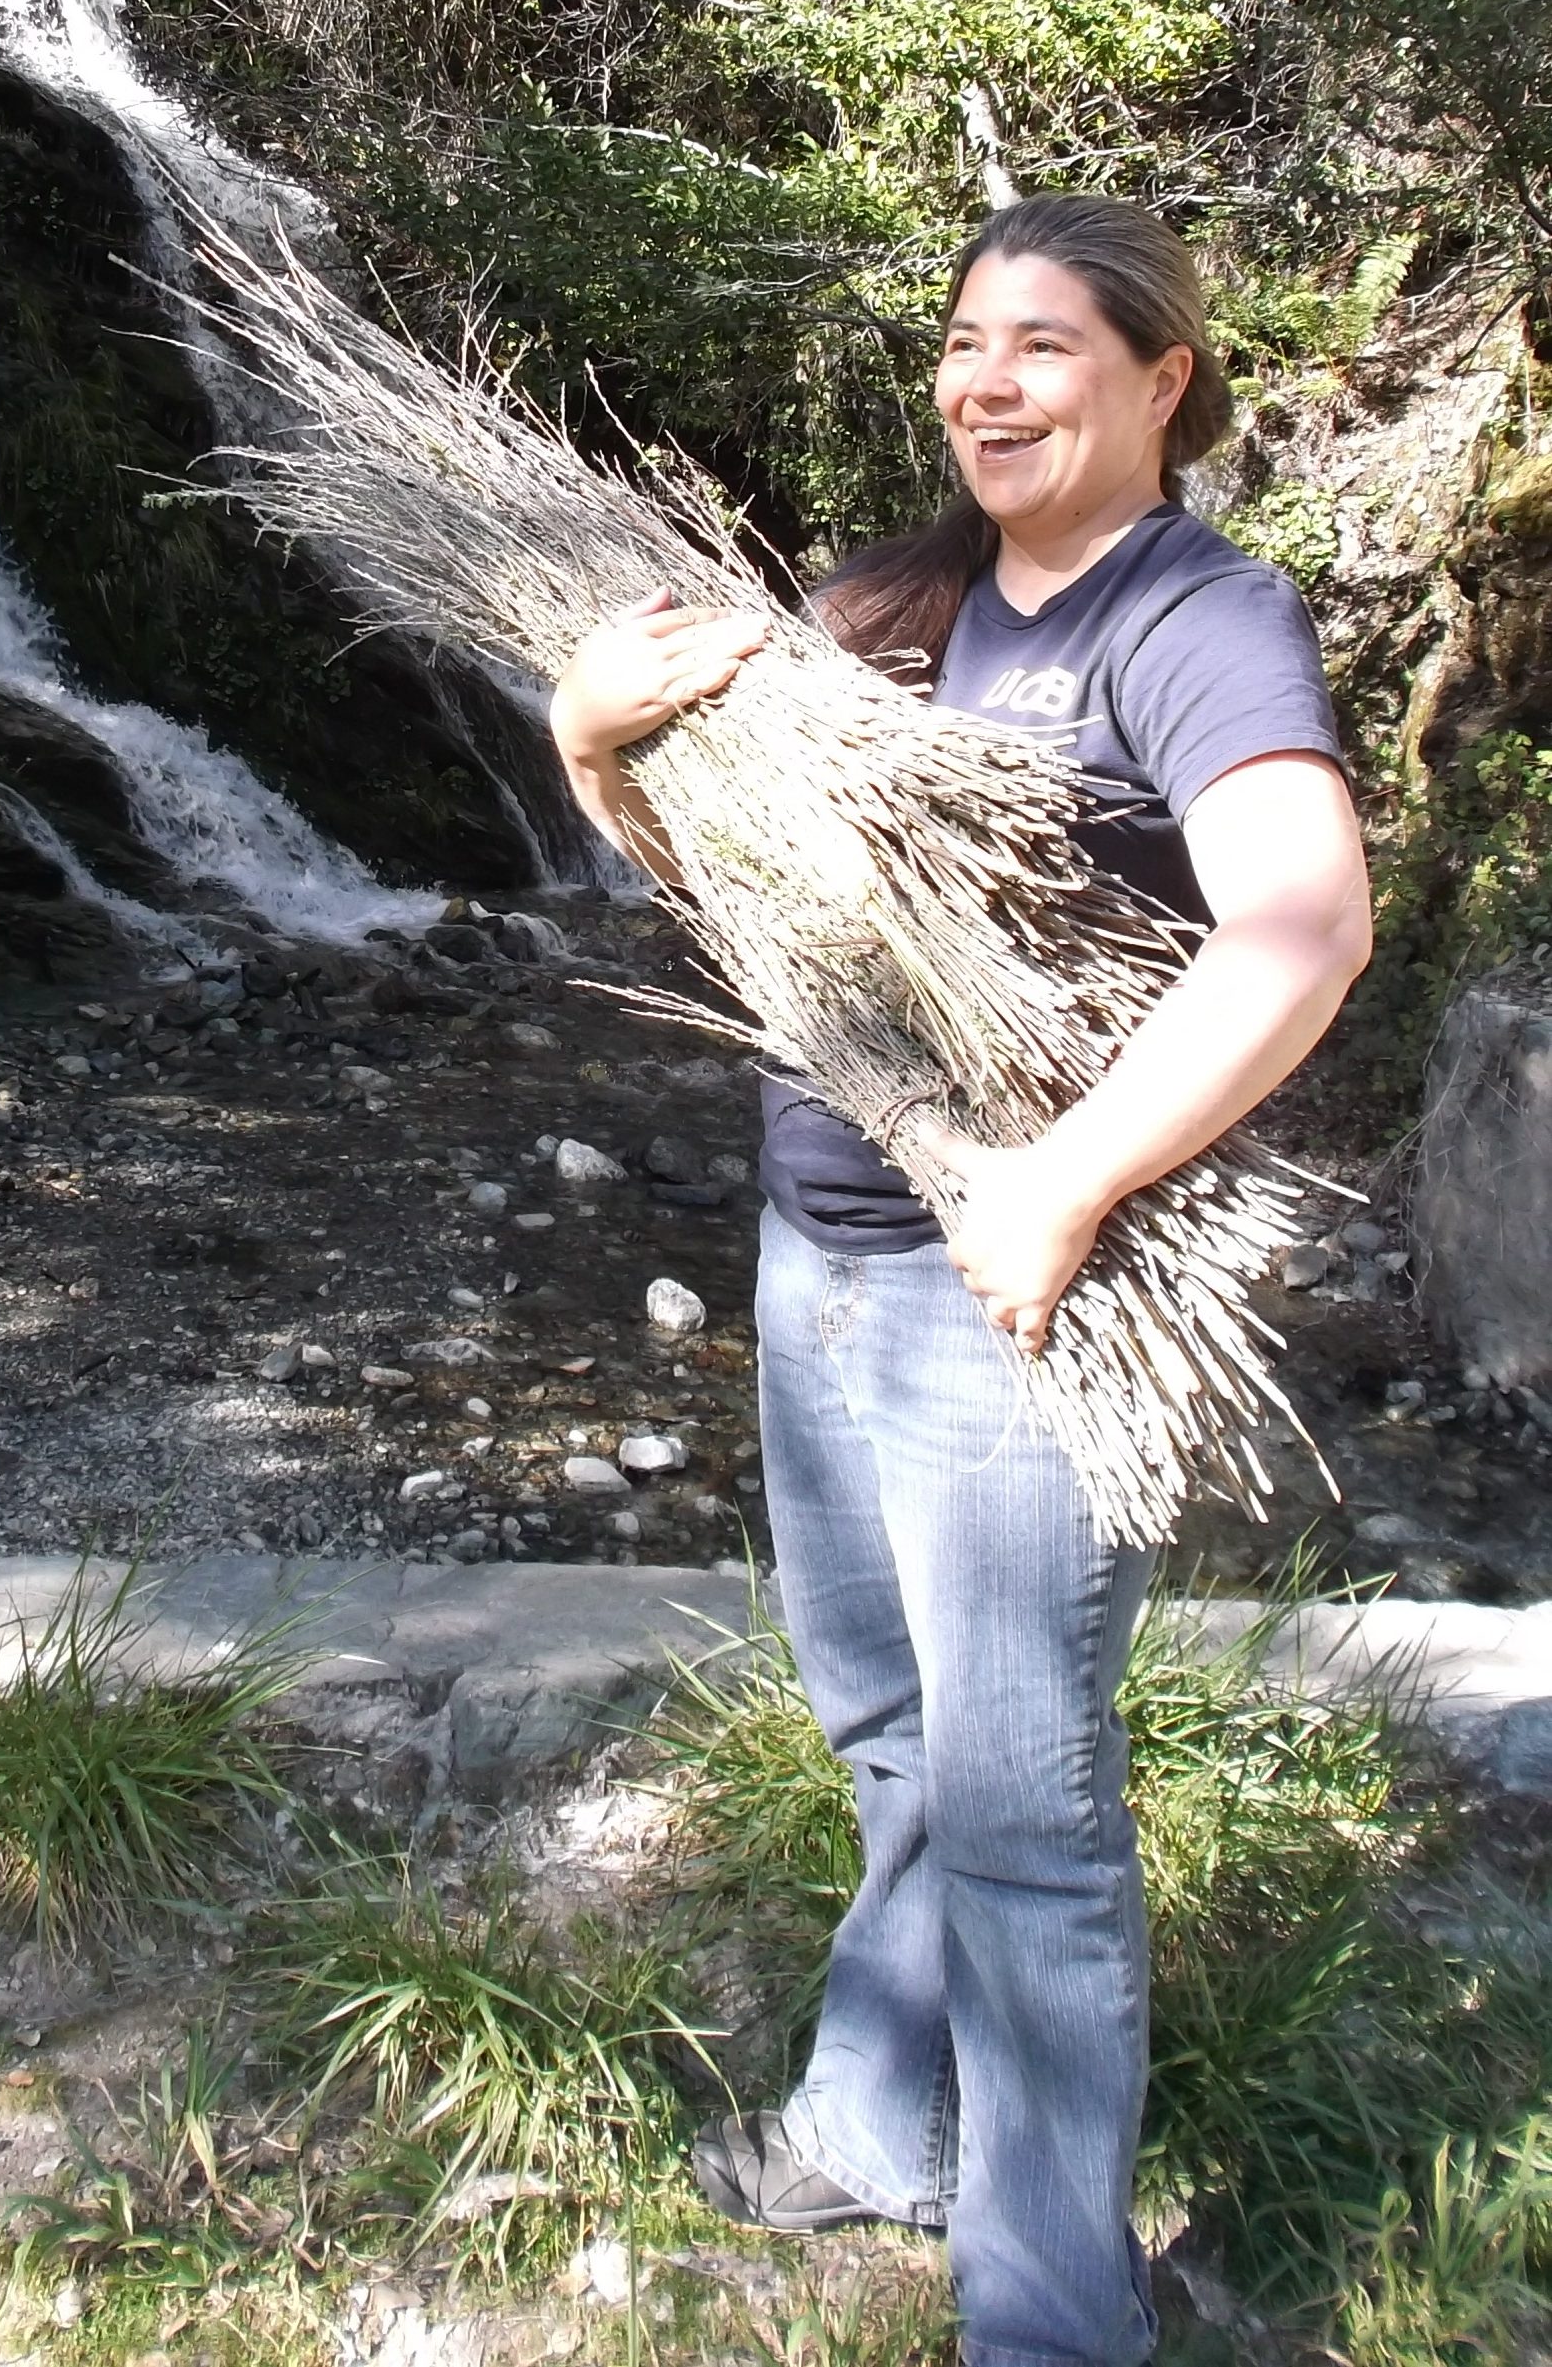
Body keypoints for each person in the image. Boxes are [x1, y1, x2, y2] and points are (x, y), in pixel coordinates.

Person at [548, 192, 1372, 2367]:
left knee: (1024, 1823)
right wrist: (593, 746)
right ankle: (869, 2115)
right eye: (960, 342)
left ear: (1162, 376)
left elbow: (1305, 923)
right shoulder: (881, 609)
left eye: (1043, 347)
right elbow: (739, 912)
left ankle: (1048, 2316)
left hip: (1006, 1307)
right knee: (895, 1742)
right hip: (814, 1259)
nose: (984, 383)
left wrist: (1068, 1181)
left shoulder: (1195, 620)